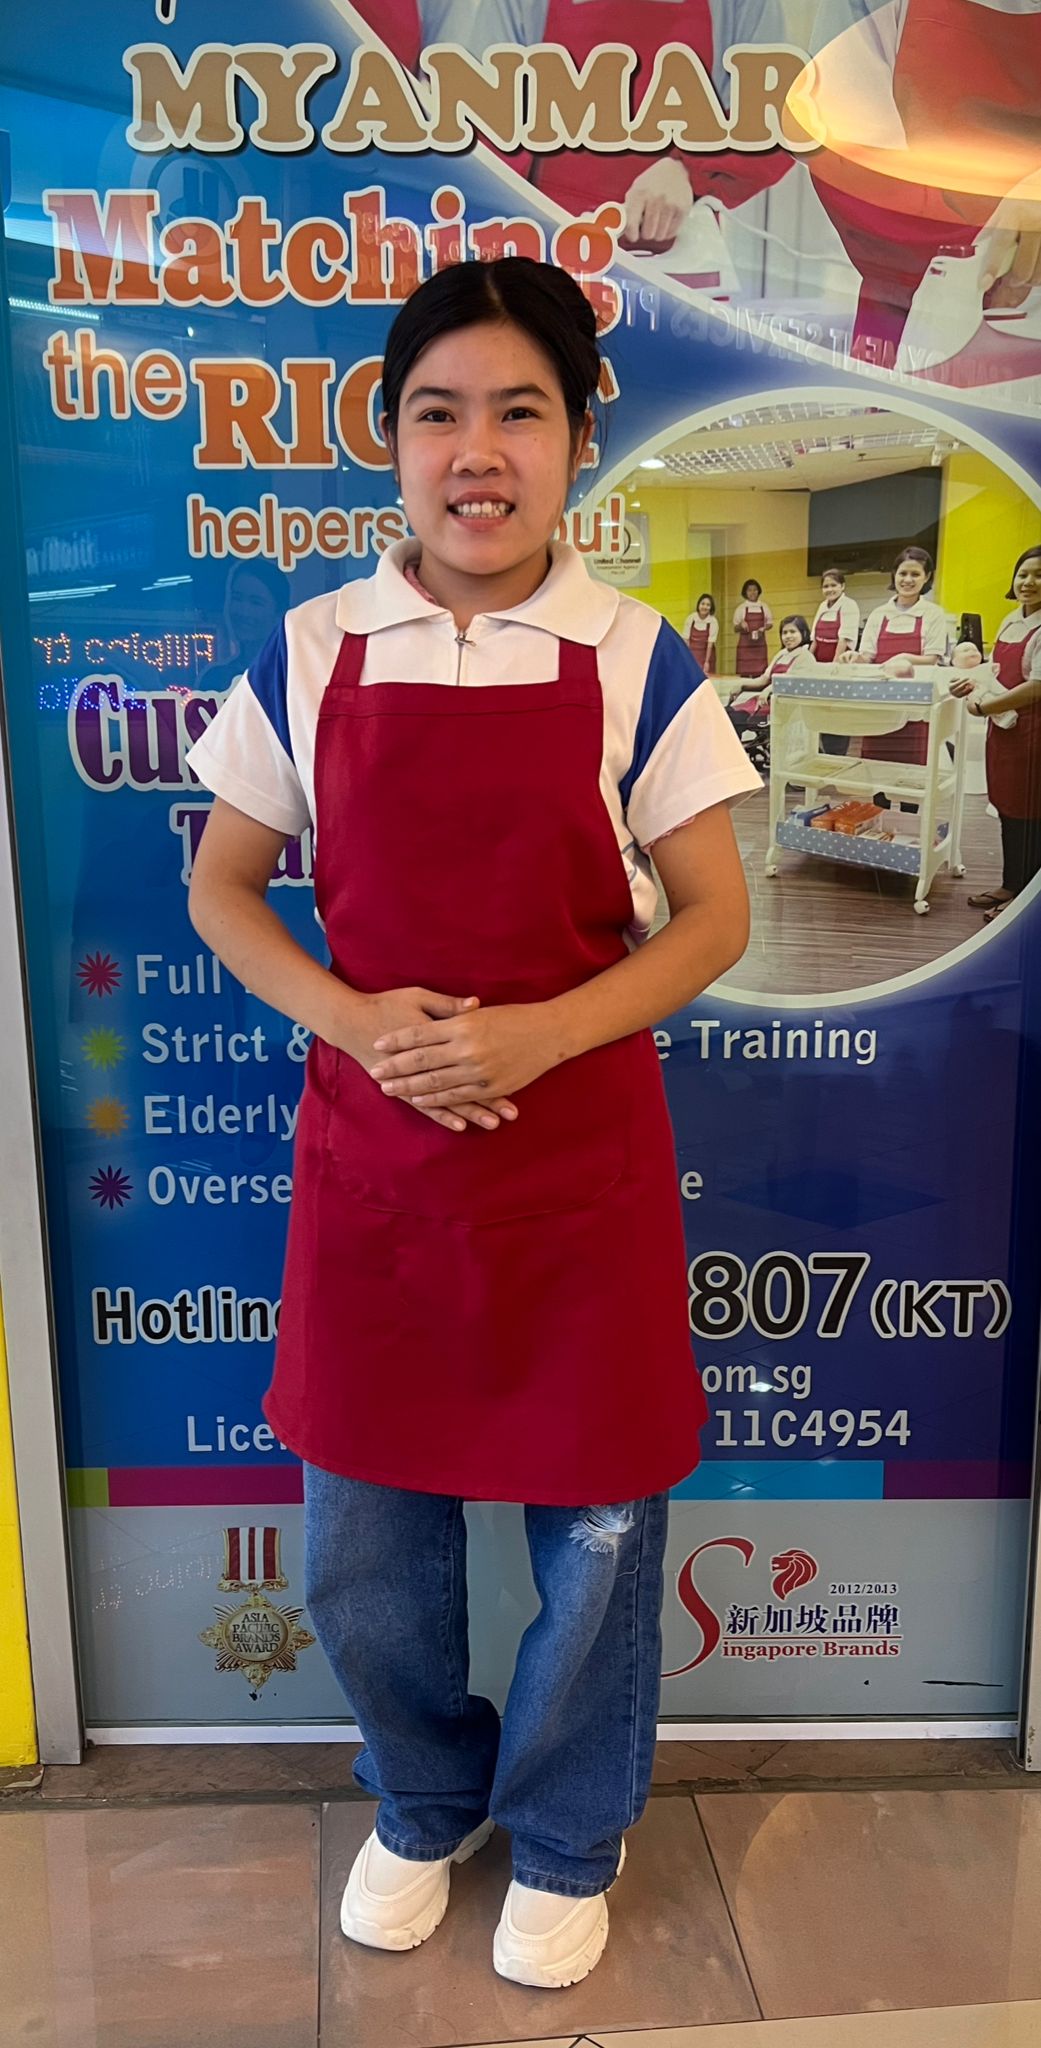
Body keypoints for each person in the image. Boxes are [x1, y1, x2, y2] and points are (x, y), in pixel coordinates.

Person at [185, 258, 758, 1989]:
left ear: (578, 437)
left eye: (520, 410)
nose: (477, 452)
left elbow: (715, 916)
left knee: (598, 1533)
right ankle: (423, 1794)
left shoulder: (634, 658)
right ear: (391, 438)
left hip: (579, 1169)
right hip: (377, 1168)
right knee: (364, 1534)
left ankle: (571, 1830)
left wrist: (537, 1032)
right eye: (438, 413)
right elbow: (223, 886)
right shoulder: (313, 649)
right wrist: (360, 1020)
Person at [953, 545, 1041, 922]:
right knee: (1008, 809)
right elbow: (995, 670)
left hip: (1033, 733)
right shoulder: (1011, 620)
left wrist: (985, 707)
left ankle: (1025, 901)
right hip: (1004, 733)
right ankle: (1011, 884)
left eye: (1039, 575)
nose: (1029, 581)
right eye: (1023, 574)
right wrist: (969, 683)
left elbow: (1037, 687)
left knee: (1031, 815)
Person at [855, 546, 947, 777]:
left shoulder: (933, 614)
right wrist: (853, 658)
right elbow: (866, 657)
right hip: (879, 705)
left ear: (927, 577)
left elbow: (932, 658)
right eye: (903, 573)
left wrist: (905, 658)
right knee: (875, 773)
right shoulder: (878, 614)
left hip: (915, 706)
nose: (908, 579)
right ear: (894, 575)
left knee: (912, 776)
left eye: (915, 574)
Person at [202, 559, 292, 689]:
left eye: (256, 602)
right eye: (237, 598)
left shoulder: (294, 674)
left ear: (280, 612)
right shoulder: (215, 678)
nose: (243, 612)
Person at [728, 614, 811, 756]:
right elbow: (764, 679)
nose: (788, 636)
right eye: (784, 633)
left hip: (781, 707)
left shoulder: (805, 656)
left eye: (793, 632)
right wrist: (742, 685)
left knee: (734, 719)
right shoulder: (782, 654)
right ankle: (730, 754)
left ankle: (735, 757)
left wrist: (769, 689)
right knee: (724, 713)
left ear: (803, 633)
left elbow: (791, 681)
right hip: (762, 702)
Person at [813, 567, 861, 755]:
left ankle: (838, 754)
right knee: (820, 710)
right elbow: (814, 639)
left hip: (839, 666)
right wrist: (807, 663)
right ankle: (820, 751)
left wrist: (833, 668)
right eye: (825, 586)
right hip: (820, 666)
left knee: (837, 712)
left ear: (842, 586)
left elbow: (844, 640)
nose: (829, 589)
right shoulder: (822, 607)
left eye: (833, 585)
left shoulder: (849, 606)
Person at [733, 578, 773, 678]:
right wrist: (741, 625)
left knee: (760, 675)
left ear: (758, 591)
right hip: (745, 647)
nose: (752, 592)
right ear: (745, 592)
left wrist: (764, 628)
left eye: (755, 590)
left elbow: (770, 623)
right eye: (749, 590)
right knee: (744, 675)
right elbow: (735, 629)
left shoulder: (764, 606)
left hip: (760, 647)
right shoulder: (741, 608)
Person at [683, 592, 718, 674]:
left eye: (708, 605)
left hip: (707, 656)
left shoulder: (713, 621)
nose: (705, 607)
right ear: (698, 605)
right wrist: (687, 659)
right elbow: (686, 640)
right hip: (692, 655)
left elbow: (710, 643)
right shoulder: (691, 618)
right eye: (703, 604)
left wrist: (707, 662)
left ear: (711, 608)